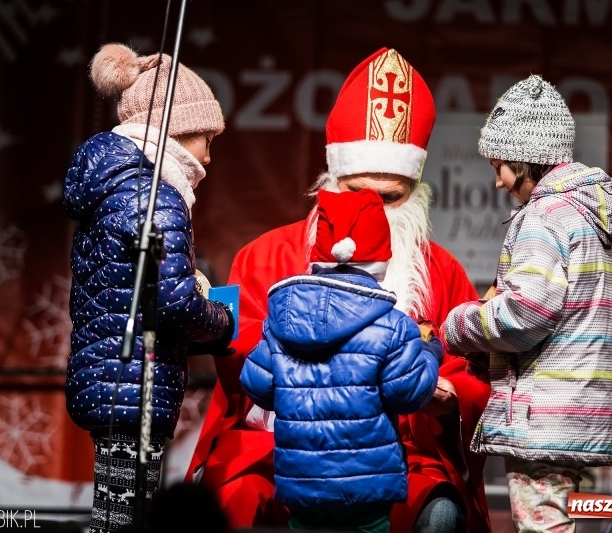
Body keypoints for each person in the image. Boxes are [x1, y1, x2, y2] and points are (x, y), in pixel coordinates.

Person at [186, 47, 492, 533]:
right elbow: (239, 363)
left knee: (438, 514)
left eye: (389, 197)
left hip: (397, 453)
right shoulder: (263, 255)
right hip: (282, 443)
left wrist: (447, 393)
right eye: (356, 193)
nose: (370, 210)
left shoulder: (443, 271)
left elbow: (471, 371)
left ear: (415, 191)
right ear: (331, 182)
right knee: (236, 496)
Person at [63, 43, 235, 533]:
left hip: (113, 377)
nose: (209, 152)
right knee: (125, 520)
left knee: (118, 514)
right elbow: (176, 302)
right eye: (206, 136)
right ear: (178, 131)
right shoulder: (154, 193)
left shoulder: (119, 184)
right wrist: (222, 318)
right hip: (133, 382)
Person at [442, 74, 612, 533]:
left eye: (500, 166)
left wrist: (459, 324)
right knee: (560, 522)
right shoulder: (584, 212)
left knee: (544, 527)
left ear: (527, 161)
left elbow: (527, 313)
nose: (498, 181)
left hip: (544, 418)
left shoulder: (544, 216)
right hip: (573, 413)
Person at [240, 187, 444, 532]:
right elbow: (407, 394)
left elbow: (257, 385)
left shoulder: (282, 320)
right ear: (380, 260)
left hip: (301, 483)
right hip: (367, 488)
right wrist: (429, 352)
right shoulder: (393, 325)